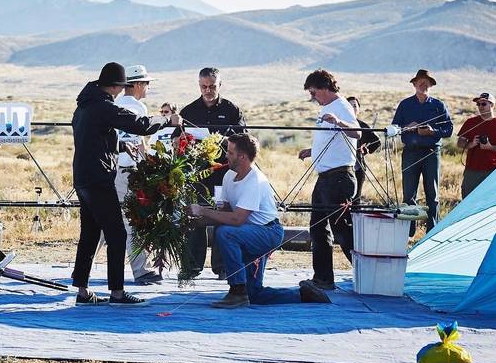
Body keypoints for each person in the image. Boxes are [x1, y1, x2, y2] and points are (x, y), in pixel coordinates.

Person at [71, 62, 178, 306]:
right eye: (121, 87)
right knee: (117, 234)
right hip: (99, 178)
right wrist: (166, 120)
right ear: (116, 86)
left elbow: (91, 138)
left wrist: (118, 145)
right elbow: (140, 125)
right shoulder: (104, 106)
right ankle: (117, 293)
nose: (121, 92)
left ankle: (82, 290)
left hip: (83, 176)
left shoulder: (84, 106)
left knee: (89, 233)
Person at [188, 133, 330, 308]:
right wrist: (199, 221)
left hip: (266, 233)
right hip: (246, 233)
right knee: (254, 294)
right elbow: (224, 212)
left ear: (242, 156)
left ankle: (237, 290)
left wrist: (203, 210)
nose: (225, 155)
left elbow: (236, 219)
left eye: (230, 152)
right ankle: (303, 294)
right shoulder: (228, 176)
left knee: (225, 233)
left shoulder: (255, 180)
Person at [95, 65, 162, 285]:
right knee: (133, 219)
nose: (147, 88)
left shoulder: (112, 105)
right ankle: (140, 269)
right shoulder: (137, 107)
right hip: (128, 170)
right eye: (146, 83)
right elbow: (140, 139)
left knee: (104, 220)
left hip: (109, 168)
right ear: (138, 85)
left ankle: (84, 267)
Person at [179, 67, 246, 279]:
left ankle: (223, 267)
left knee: (223, 217)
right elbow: (177, 140)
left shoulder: (233, 110)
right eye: (203, 86)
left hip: (224, 175)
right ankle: (191, 267)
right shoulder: (188, 111)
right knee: (194, 216)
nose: (208, 90)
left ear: (220, 85)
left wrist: (225, 141)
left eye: (212, 86)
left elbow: (245, 140)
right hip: (197, 176)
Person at [297, 70, 360, 290]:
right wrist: (312, 151)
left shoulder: (341, 107)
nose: (313, 97)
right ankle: (323, 278)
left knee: (341, 230)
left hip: (339, 177)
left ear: (325, 88)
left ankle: (366, 274)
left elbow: (357, 133)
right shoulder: (326, 108)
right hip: (325, 177)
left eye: (314, 93)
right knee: (317, 227)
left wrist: (340, 121)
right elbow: (330, 141)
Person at [392, 69, 453, 236]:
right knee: (409, 194)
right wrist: (406, 127)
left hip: (431, 152)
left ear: (431, 85)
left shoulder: (438, 105)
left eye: (427, 82)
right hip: (410, 152)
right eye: (420, 81)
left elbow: (449, 130)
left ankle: (432, 232)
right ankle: (408, 232)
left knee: (432, 194)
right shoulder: (405, 104)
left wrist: (432, 131)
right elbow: (395, 128)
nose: (423, 84)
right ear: (414, 84)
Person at [456, 92, 496, 198]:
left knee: (490, 200)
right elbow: (459, 143)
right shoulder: (470, 122)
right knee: (467, 200)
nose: (480, 107)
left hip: (492, 170)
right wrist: (470, 144)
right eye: (478, 104)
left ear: (492, 105)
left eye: (484, 104)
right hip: (472, 169)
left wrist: (490, 147)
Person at [347, 96, 381, 203]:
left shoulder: (362, 125)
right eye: (349, 106)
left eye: (355, 106)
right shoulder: (340, 125)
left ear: (359, 109)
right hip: (342, 169)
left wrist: (366, 149)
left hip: (358, 167)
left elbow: (377, 141)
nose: (352, 108)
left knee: (356, 200)